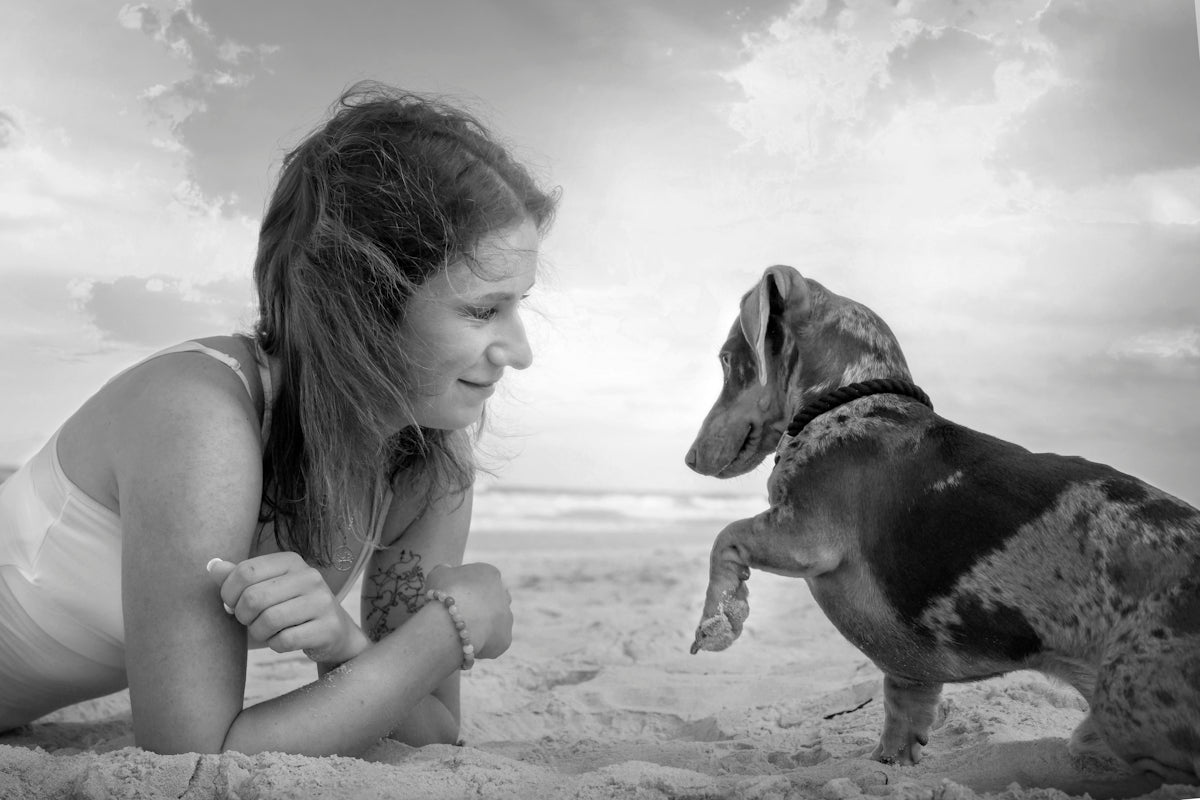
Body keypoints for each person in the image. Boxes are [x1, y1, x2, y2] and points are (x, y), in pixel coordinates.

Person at [0, 81, 558, 756]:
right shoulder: (204, 420)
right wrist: (449, 629)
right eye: (481, 309)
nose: (520, 351)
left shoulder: (426, 468)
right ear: (360, 306)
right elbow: (193, 761)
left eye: (517, 304)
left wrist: (348, 643)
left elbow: (431, 731)